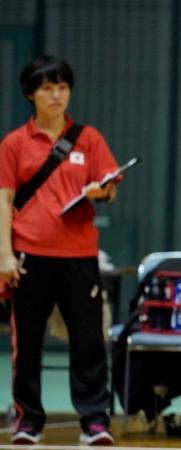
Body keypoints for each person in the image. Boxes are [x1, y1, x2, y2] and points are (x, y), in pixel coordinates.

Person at [0, 56, 118, 445]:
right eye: (47, 88)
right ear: (31, 94)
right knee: (27, 342)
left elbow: (108, 186)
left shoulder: (89, 138)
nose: (56, 95)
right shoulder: (15, 144)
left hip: (79, 255)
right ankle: (28, 421)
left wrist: (103, 190)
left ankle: (94, 422)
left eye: (63, 87)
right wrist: (3, 254)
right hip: (29, 255)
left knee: (88, 341)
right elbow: (4, 201)